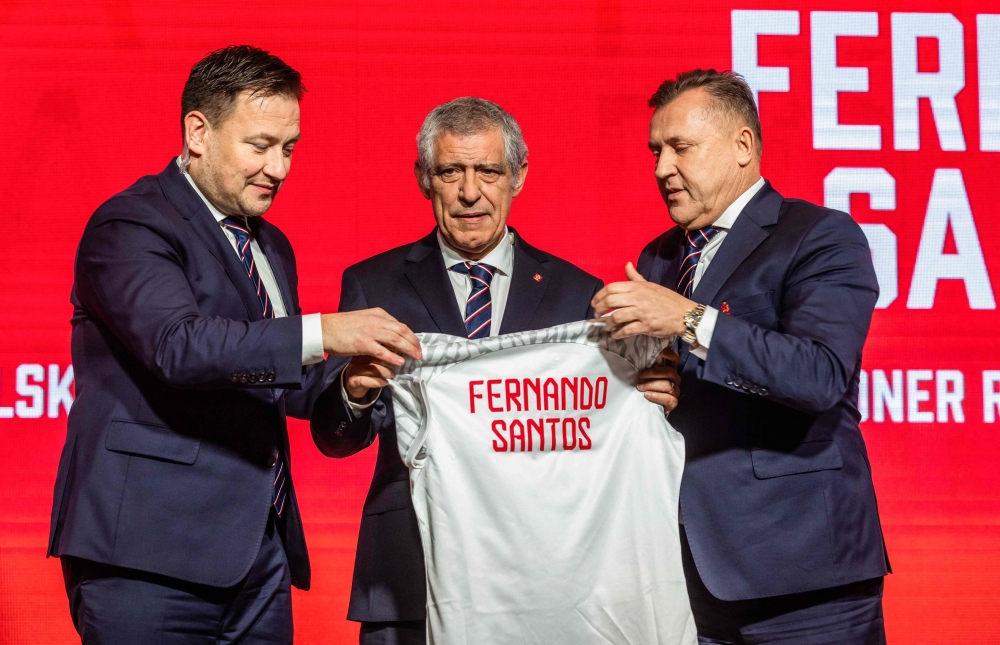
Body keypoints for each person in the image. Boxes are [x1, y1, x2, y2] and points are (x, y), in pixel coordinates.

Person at [47, 45, 420, 644]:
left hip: (258, 559)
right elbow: (178, 346)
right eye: (260, 145)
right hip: (146, 556)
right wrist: (323, 330)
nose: (279, 167)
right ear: (198, 132)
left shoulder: (271, 247)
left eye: (289, 148)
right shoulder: (131, 225)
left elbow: (282, 382)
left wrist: (351, 387)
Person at [310, 97, 681, 645]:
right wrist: (353, 393)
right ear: (423, 178)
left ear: (518, 176)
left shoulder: (577, 293)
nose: (469, 192)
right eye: (450, 172)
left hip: (545, 575)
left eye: (488, 171)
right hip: (409, 575)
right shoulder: (373, 284)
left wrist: (646, 393)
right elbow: (334, 439)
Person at [591, 69, 890, 644]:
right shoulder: (658, 258)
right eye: (655, 151)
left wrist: (689, 319)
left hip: (805, 579)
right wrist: (655, 388)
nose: (661, 168)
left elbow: (819, 374)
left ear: (743, 146)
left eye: (680, 147)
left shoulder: (820, 235)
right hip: (688, 574)